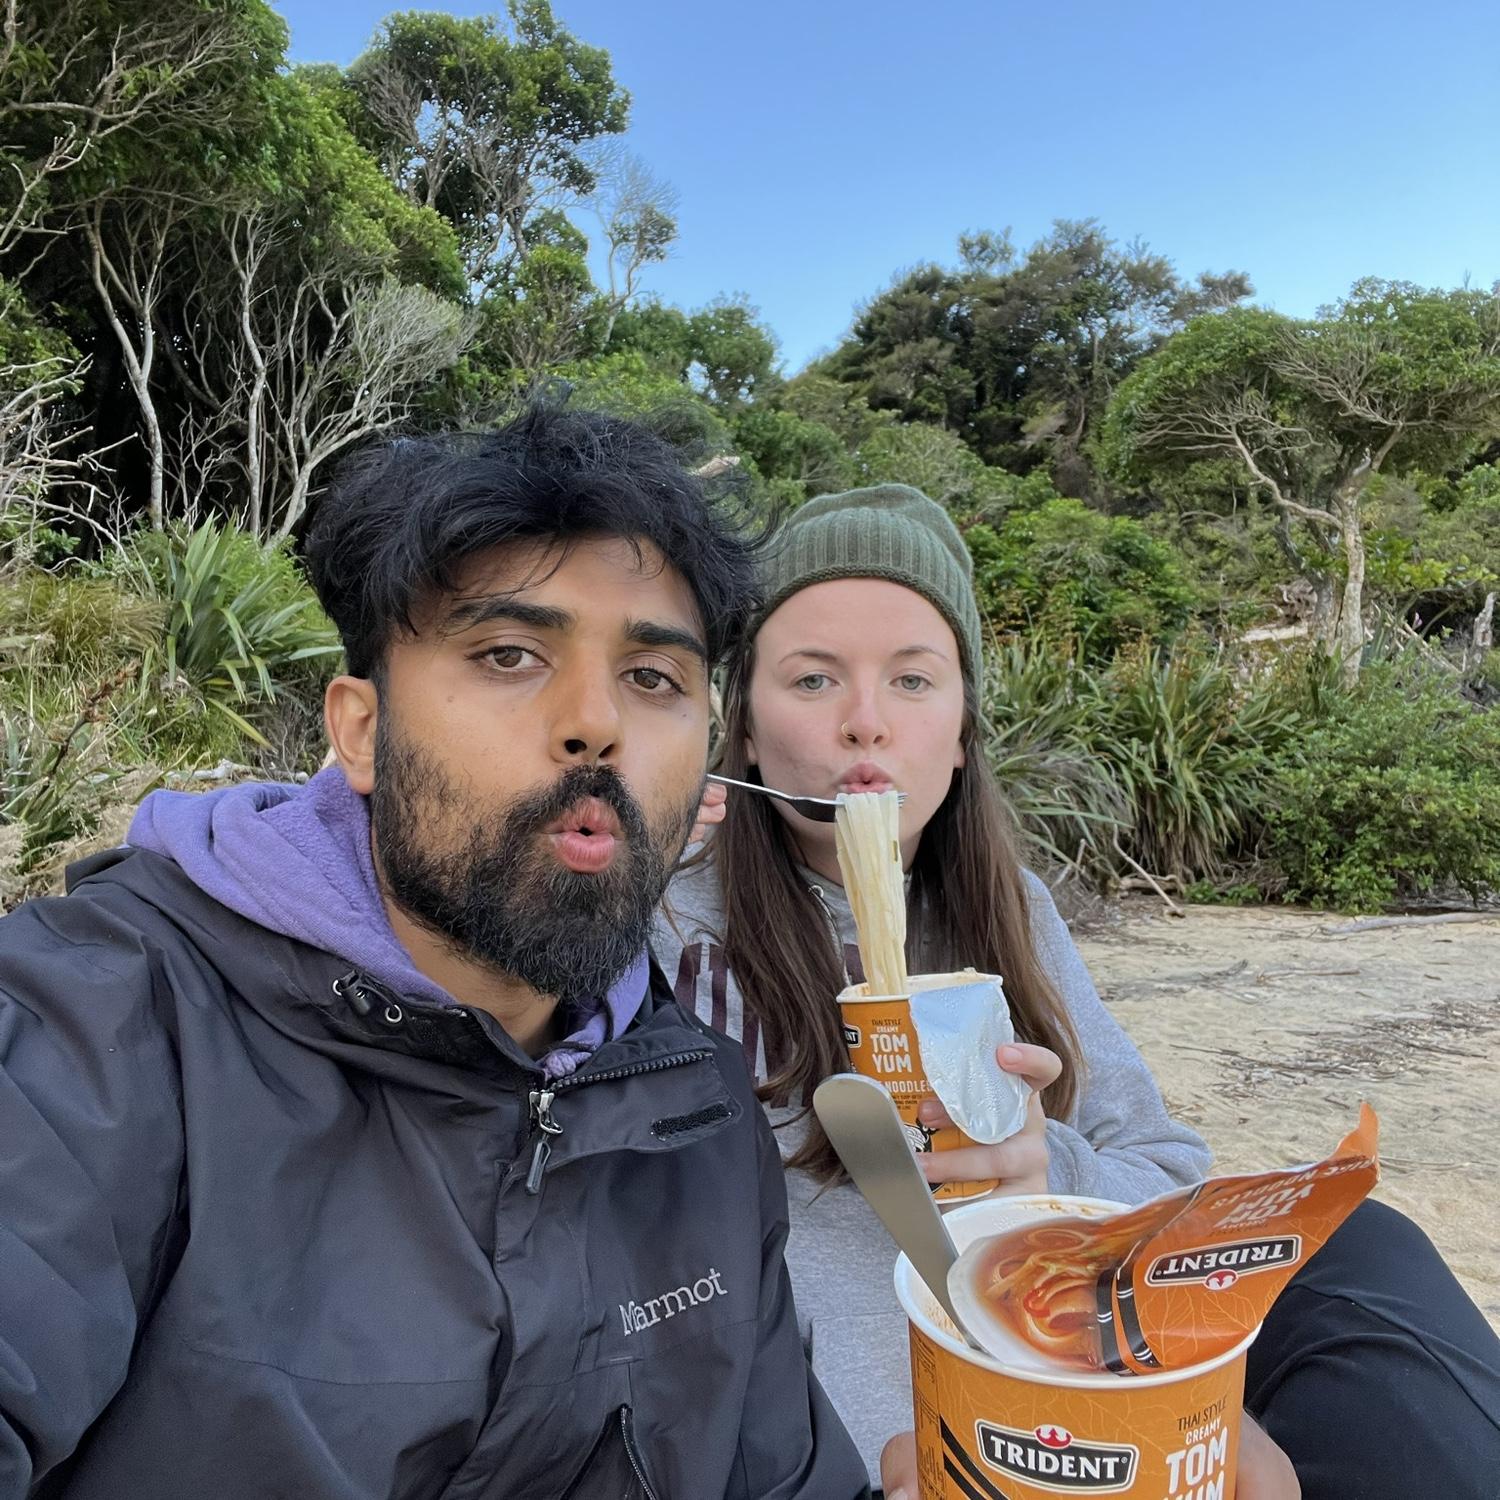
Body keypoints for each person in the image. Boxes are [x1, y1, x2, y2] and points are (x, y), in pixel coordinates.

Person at [0, 406, 872, 1499]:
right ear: (361, 730)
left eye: (654, 678)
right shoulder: (97, 1025)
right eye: (509, 654)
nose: (594, 721)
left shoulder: (696, 1111)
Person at [655, 483, 1500, 1500]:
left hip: (1061, 1352)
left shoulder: (1011, 909)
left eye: (915, 681)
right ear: (743, 729)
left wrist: (1042, 1165)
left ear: (964, 733)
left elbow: (1165, 1170)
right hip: (854, 1425)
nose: (865, 724)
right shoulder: (661, 914)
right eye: (812, 678)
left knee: (1366, 1245)